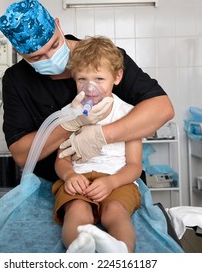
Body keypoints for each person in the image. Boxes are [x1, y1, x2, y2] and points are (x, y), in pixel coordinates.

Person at [0, 0, 174, 183]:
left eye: (54, 45)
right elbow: (22, 154)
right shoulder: (16, 80)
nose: (50, 58)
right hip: (57, 185)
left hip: (117, 180)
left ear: (58, 25)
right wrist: (68, 125)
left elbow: (162, 109)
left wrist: (101, 135)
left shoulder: (103, 58)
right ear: (18, 52)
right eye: (36, 57)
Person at [53, 36, 143, 253]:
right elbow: (61, 160)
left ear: (117, 76)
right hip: (80, 179)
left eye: (99, 79)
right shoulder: (70, 114)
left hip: (117, 179)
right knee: (77, 209)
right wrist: (69, 176)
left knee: (114, 210)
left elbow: (134, 165)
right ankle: (79, 249)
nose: (90, 87)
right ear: (73, 78)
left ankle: (121, 252)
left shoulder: (129, 115)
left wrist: (112, 183)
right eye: (82, 79)